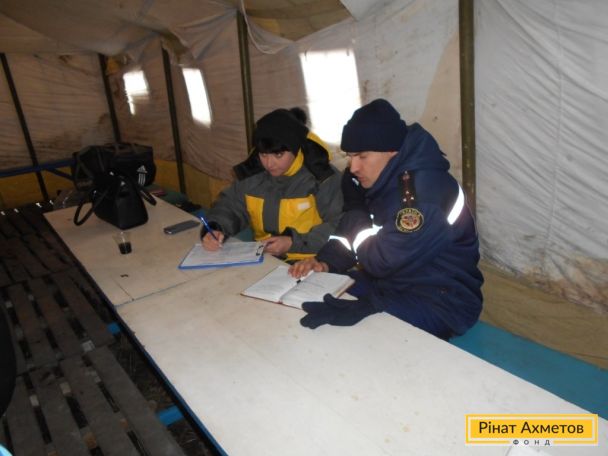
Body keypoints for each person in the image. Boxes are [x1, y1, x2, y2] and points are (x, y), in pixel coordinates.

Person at [289, 99, 483, 339]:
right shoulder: (382, 177)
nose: (353, 167)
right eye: (350, 156)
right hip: (391, 282)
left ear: (392, 151)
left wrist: (356, 210)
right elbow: (352, 236)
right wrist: (326, 262)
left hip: (440, 300)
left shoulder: (422, 197)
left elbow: (380, 260)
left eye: (362, 156)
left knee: (362, 335)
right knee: (317, 289)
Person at [201, 107, 343, 262]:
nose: (269, 163)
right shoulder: (252, 175)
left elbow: (340, 224)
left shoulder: (321, 177)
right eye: (263, 154)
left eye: (278, 155)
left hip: (311, 260)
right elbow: (231, 205)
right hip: (265, 258)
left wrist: (292, 242)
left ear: (295, 149)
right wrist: (216, 228)